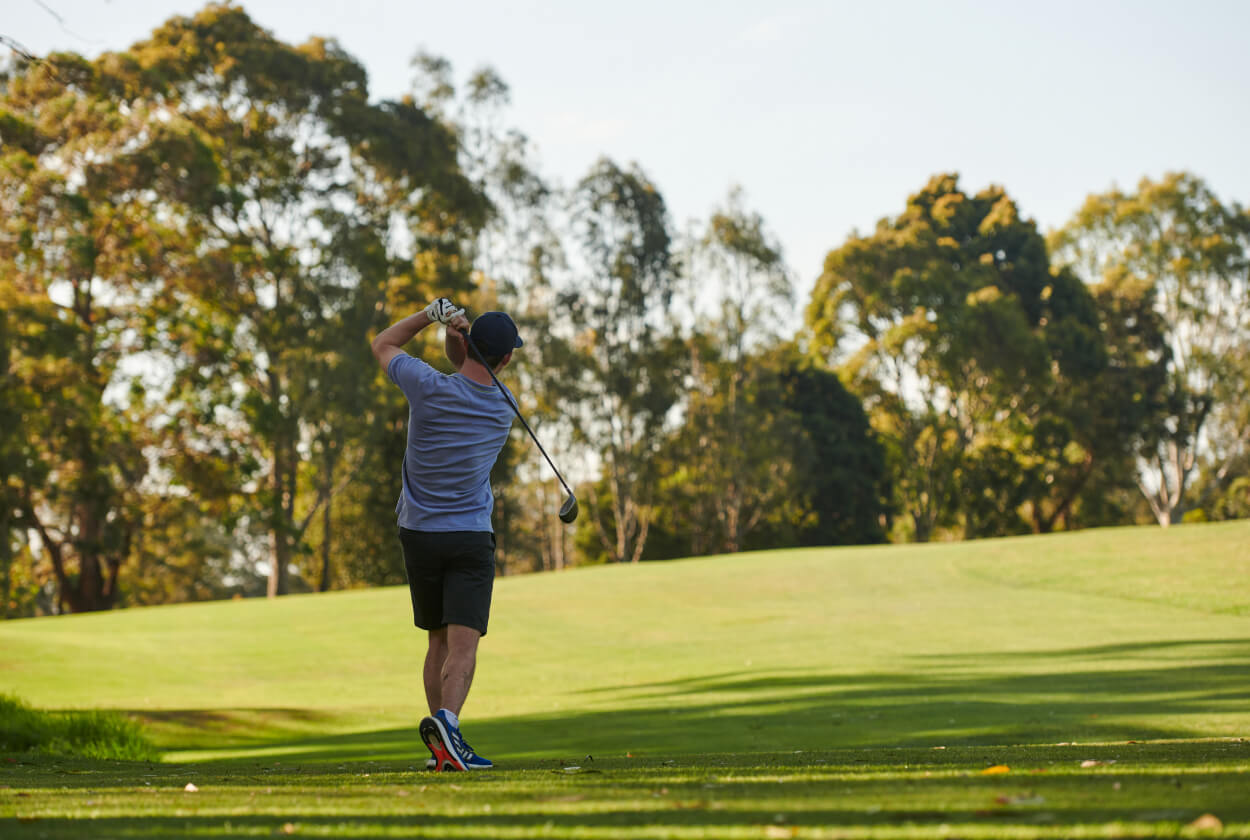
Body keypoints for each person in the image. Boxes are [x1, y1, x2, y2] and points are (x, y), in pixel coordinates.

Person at [370, 297, 523, 772]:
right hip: (469, 537)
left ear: (468, 344)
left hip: (418, 534)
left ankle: (443, 750)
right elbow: (472, 369)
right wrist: (461, 341)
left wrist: (432, 316)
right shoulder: (505, 406)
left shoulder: (424, 386)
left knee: (436, 643)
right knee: (463, 646)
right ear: (507, 359)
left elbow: (384, 343)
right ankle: (449, 727)